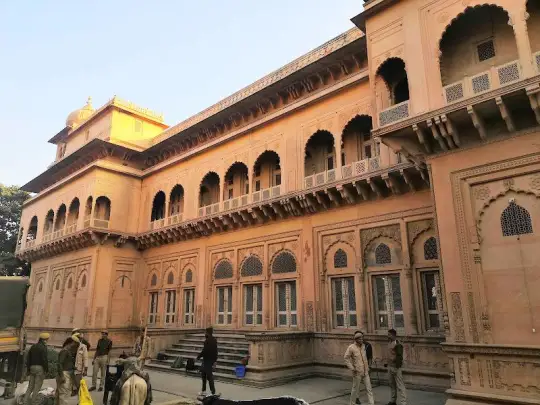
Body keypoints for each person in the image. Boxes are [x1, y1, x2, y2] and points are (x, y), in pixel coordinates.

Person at [344, 331, 374, 405]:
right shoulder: (351, 347)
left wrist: (369, 367)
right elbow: (346, 358)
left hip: (365, 371)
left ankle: (371, 403)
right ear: (356, 339)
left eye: (362, 339)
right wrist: (352, 368)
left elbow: (366, 358)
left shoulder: (363, 346)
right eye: (360, 339)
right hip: (357, 372)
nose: (362, 340)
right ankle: (352, 403)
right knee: (355, 389)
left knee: (369, 389)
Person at [24, 332, 49, 405]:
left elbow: (28, 358)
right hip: (40, 368)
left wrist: (28, 369)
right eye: (47, 339)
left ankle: (25, 402)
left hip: (32, 368)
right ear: (45, 340)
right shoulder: (43, 347)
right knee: (37, 386)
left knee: (30, 386)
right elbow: (44, 360)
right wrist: (46, 370)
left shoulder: (33, 346)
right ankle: (34, 402)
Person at [57, 336, 79, 405]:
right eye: (74, 344)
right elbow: (59, 363)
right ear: (70, 343)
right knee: (64, 393)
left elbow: (68, 362)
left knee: (65, 392)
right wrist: (62, 376)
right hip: (64, 373)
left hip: (68, 373)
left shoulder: (67, 351)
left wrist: (74, 367)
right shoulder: (64, 351)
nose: (74, 346)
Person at [196, 327, 218, 397]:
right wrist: (215, 361)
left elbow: (204, 351)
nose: (205, 333)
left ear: (207, 333)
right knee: (203, 375)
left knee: (209, 377)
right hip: (210, 360)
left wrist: (198, 357)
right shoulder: (214, 340)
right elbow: (216, 352)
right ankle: (204, 391)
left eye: (205, 332)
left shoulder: (207, 341)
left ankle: (213, 392)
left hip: (207, 361)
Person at [387, 329, 406, 405]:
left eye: (389, 334)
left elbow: (399, 356)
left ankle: (403, 402)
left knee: (400, 385)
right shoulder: (389, 343)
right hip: (390, 366)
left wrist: (397, 365)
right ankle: (393, 400)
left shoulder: (398, 344)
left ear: (393, 335)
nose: (388, 336)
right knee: (392, 384)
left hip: (396, 367)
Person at [72, 331, 89, 395]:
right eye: (78, 338)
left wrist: (85, 370)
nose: (80, 339)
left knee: (78, 382)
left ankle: (79, 393)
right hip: (71, 367)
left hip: (78, 368)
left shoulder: (83, 347)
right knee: (72, 380)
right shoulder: (72, 346)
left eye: (80, 338)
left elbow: (85, 358)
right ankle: (74, 390)